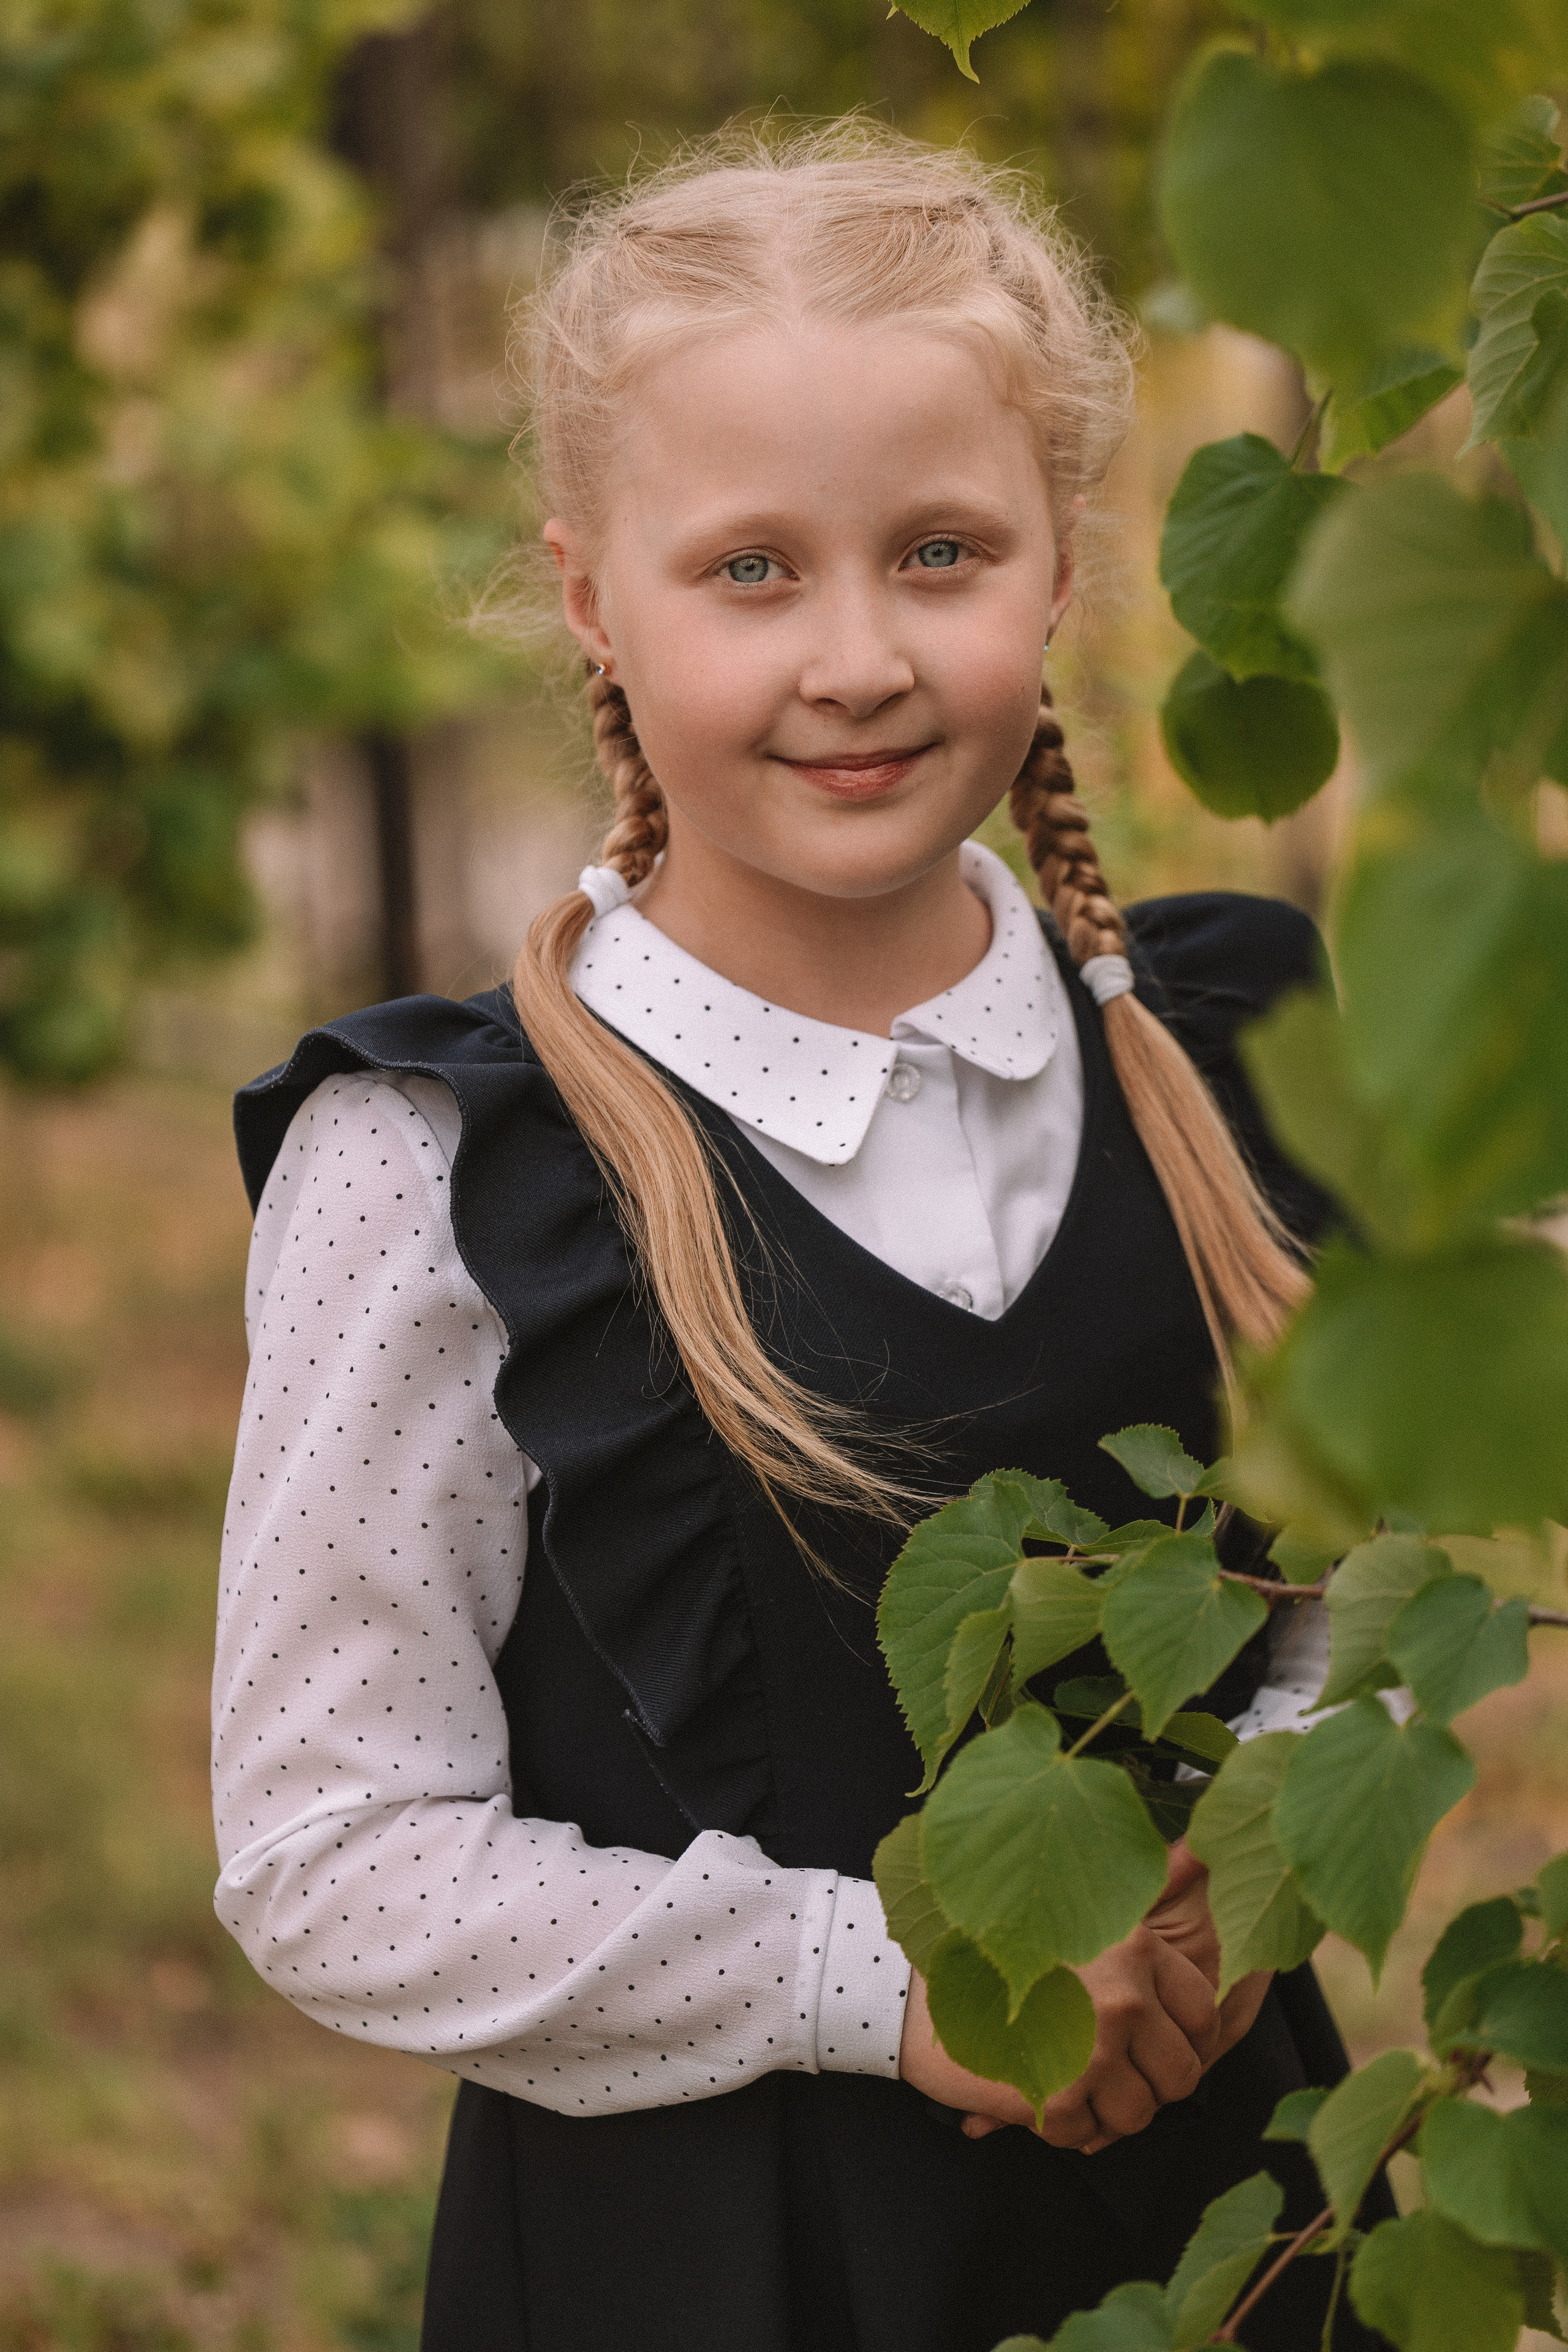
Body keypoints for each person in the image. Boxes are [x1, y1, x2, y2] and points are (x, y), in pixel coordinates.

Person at [215, 127, 1387, 2352]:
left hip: (1238, 2226)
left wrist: (1255, 1864)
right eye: (750, 568)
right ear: (591, 594)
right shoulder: (454, 1172)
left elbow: (1365, 1598)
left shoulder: (1229, 1052)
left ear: (1059, 568)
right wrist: (886, 1982)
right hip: (713, 2267)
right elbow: (330, 1853)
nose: (855, 655)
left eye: (938, 550)